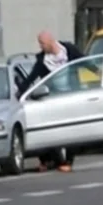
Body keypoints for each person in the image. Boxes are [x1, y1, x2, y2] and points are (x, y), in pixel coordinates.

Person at [19, 31, 86, 173]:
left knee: (71, 130)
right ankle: (56, 161)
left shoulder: (69, 50)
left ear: (50, 42)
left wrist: (101, 73)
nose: (40, 46)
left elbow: (85, 63)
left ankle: (68, 161)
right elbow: (31, 78)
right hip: (53, 100)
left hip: (71, 97)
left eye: (42, 43)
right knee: (54, 131)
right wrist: (20, 93)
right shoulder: (43, 60)